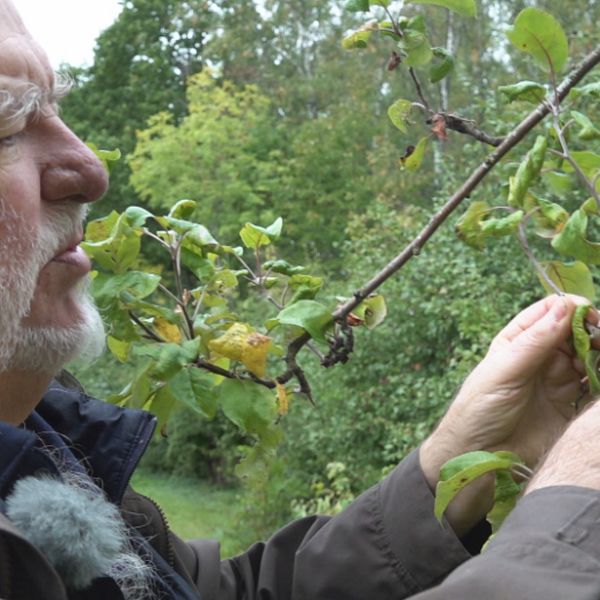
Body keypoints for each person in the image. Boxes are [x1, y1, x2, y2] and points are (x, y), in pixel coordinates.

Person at [3, 1, 600, 598]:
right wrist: (575, 510)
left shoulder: (53, 448)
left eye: (55, 109)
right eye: (8, 124)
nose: (88, 170)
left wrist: (455, 463)